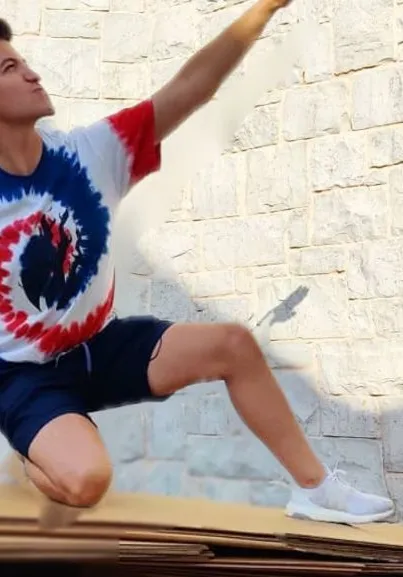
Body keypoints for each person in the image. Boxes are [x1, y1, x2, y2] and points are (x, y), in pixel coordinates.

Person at [0, 1, 394, 527]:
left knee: (232, 345)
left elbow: (191, 88)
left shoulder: (90, 155)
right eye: (10, 68)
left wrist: (263, 11)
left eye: (24, 60)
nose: (33, 72)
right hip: (23, 376)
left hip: (101, 346)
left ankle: (316, 490)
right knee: (86, 481)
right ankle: (37, 454)